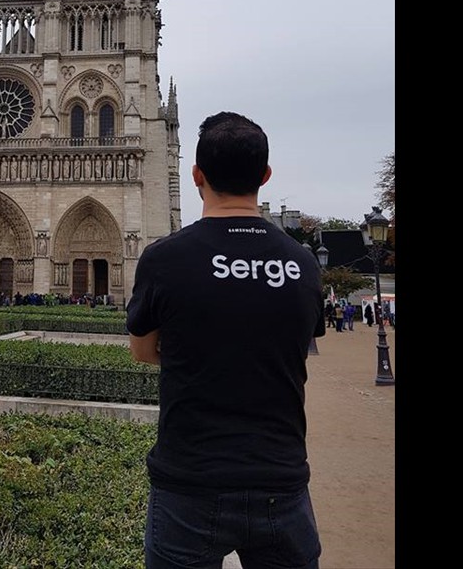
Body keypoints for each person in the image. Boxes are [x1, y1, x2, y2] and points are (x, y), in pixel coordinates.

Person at [127, 111, 325, 568]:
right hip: (281, 480)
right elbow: (298, 345)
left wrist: (198, 353)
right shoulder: (302, 263)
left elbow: (143, 351)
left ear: (196, 175)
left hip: (189, 482)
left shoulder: (164, 259)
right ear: (265, 176)